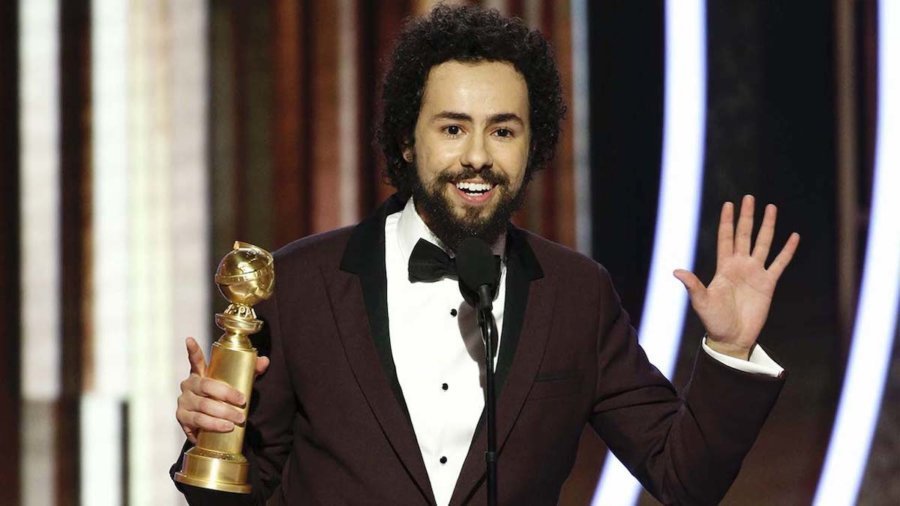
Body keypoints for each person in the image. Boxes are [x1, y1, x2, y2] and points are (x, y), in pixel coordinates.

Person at [171, 5, 799, 505]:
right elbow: (243, 493)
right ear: (407, 142)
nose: (477, 155)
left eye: (503, 130)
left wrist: (730, 352)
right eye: (452, 128)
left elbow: (684, 477)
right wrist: (210, 439)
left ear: (534, 144)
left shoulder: (576, 294)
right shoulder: (303, 283)